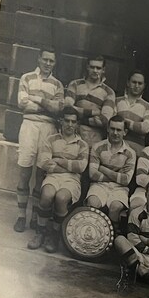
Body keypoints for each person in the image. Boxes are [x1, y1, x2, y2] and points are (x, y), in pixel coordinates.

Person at [13, 50, 64, 234]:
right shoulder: (26, 78)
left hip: (48, 129)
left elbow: (57, 109)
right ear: (39, 59)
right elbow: (21, 103)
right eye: (45, 59)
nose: (48, 63)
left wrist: (35, 99)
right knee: (25, 171)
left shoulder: (58, 85)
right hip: (29, 126)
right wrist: (46, 105)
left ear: (55, 63)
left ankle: (35, 216)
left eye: (52, 60)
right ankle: (21, 216)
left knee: (41, 174)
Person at [29, 107, 90, 252]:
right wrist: (69, 165)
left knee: (61, 198)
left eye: (73, 122)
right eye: (67, 121)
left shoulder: (82, 144)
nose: (70, 124)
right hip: (53, 176)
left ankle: (55, 234)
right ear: (61, 121)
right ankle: (40, 232)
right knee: (47, 195)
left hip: (72, 180)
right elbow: (45, 163)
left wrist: (58, 160)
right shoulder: (50, 140)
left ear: (77, 124)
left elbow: (81, 167)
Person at [86, 116, 138, 228]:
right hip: (99, 185)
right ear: (108, 129)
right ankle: (91, 235)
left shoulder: (130, 153)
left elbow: (126, 180)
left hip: (119, 188)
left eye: (119, 130)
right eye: (112, 129)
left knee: (115, 207)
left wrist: (103, 169)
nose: (115, 133)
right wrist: (117, 174)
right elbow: (93, 174)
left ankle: (112, 239)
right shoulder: (97, 147)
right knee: (92, 203)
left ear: (125, 132)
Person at [64, 57, 116, 146]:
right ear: (87, 67)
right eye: (92, 67)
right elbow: (68, 107)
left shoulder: (109, 92)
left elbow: (104, 120)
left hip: (94, 138)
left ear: (103, 70)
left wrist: (79, 117)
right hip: (73, 134)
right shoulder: (75, 84)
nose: (95, 70)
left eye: (98, 68)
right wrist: (95, 112)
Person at [116, 70, 149, 153]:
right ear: (128, 83)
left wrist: (123, 122)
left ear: (144, 86)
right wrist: (135, 125)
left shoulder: (148, 106)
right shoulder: (117, 101)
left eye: (140, 83)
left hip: (136, 149)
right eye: (134, 82)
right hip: (116, 146)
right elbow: (110, 122)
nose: (136, 86)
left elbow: (145, 128)